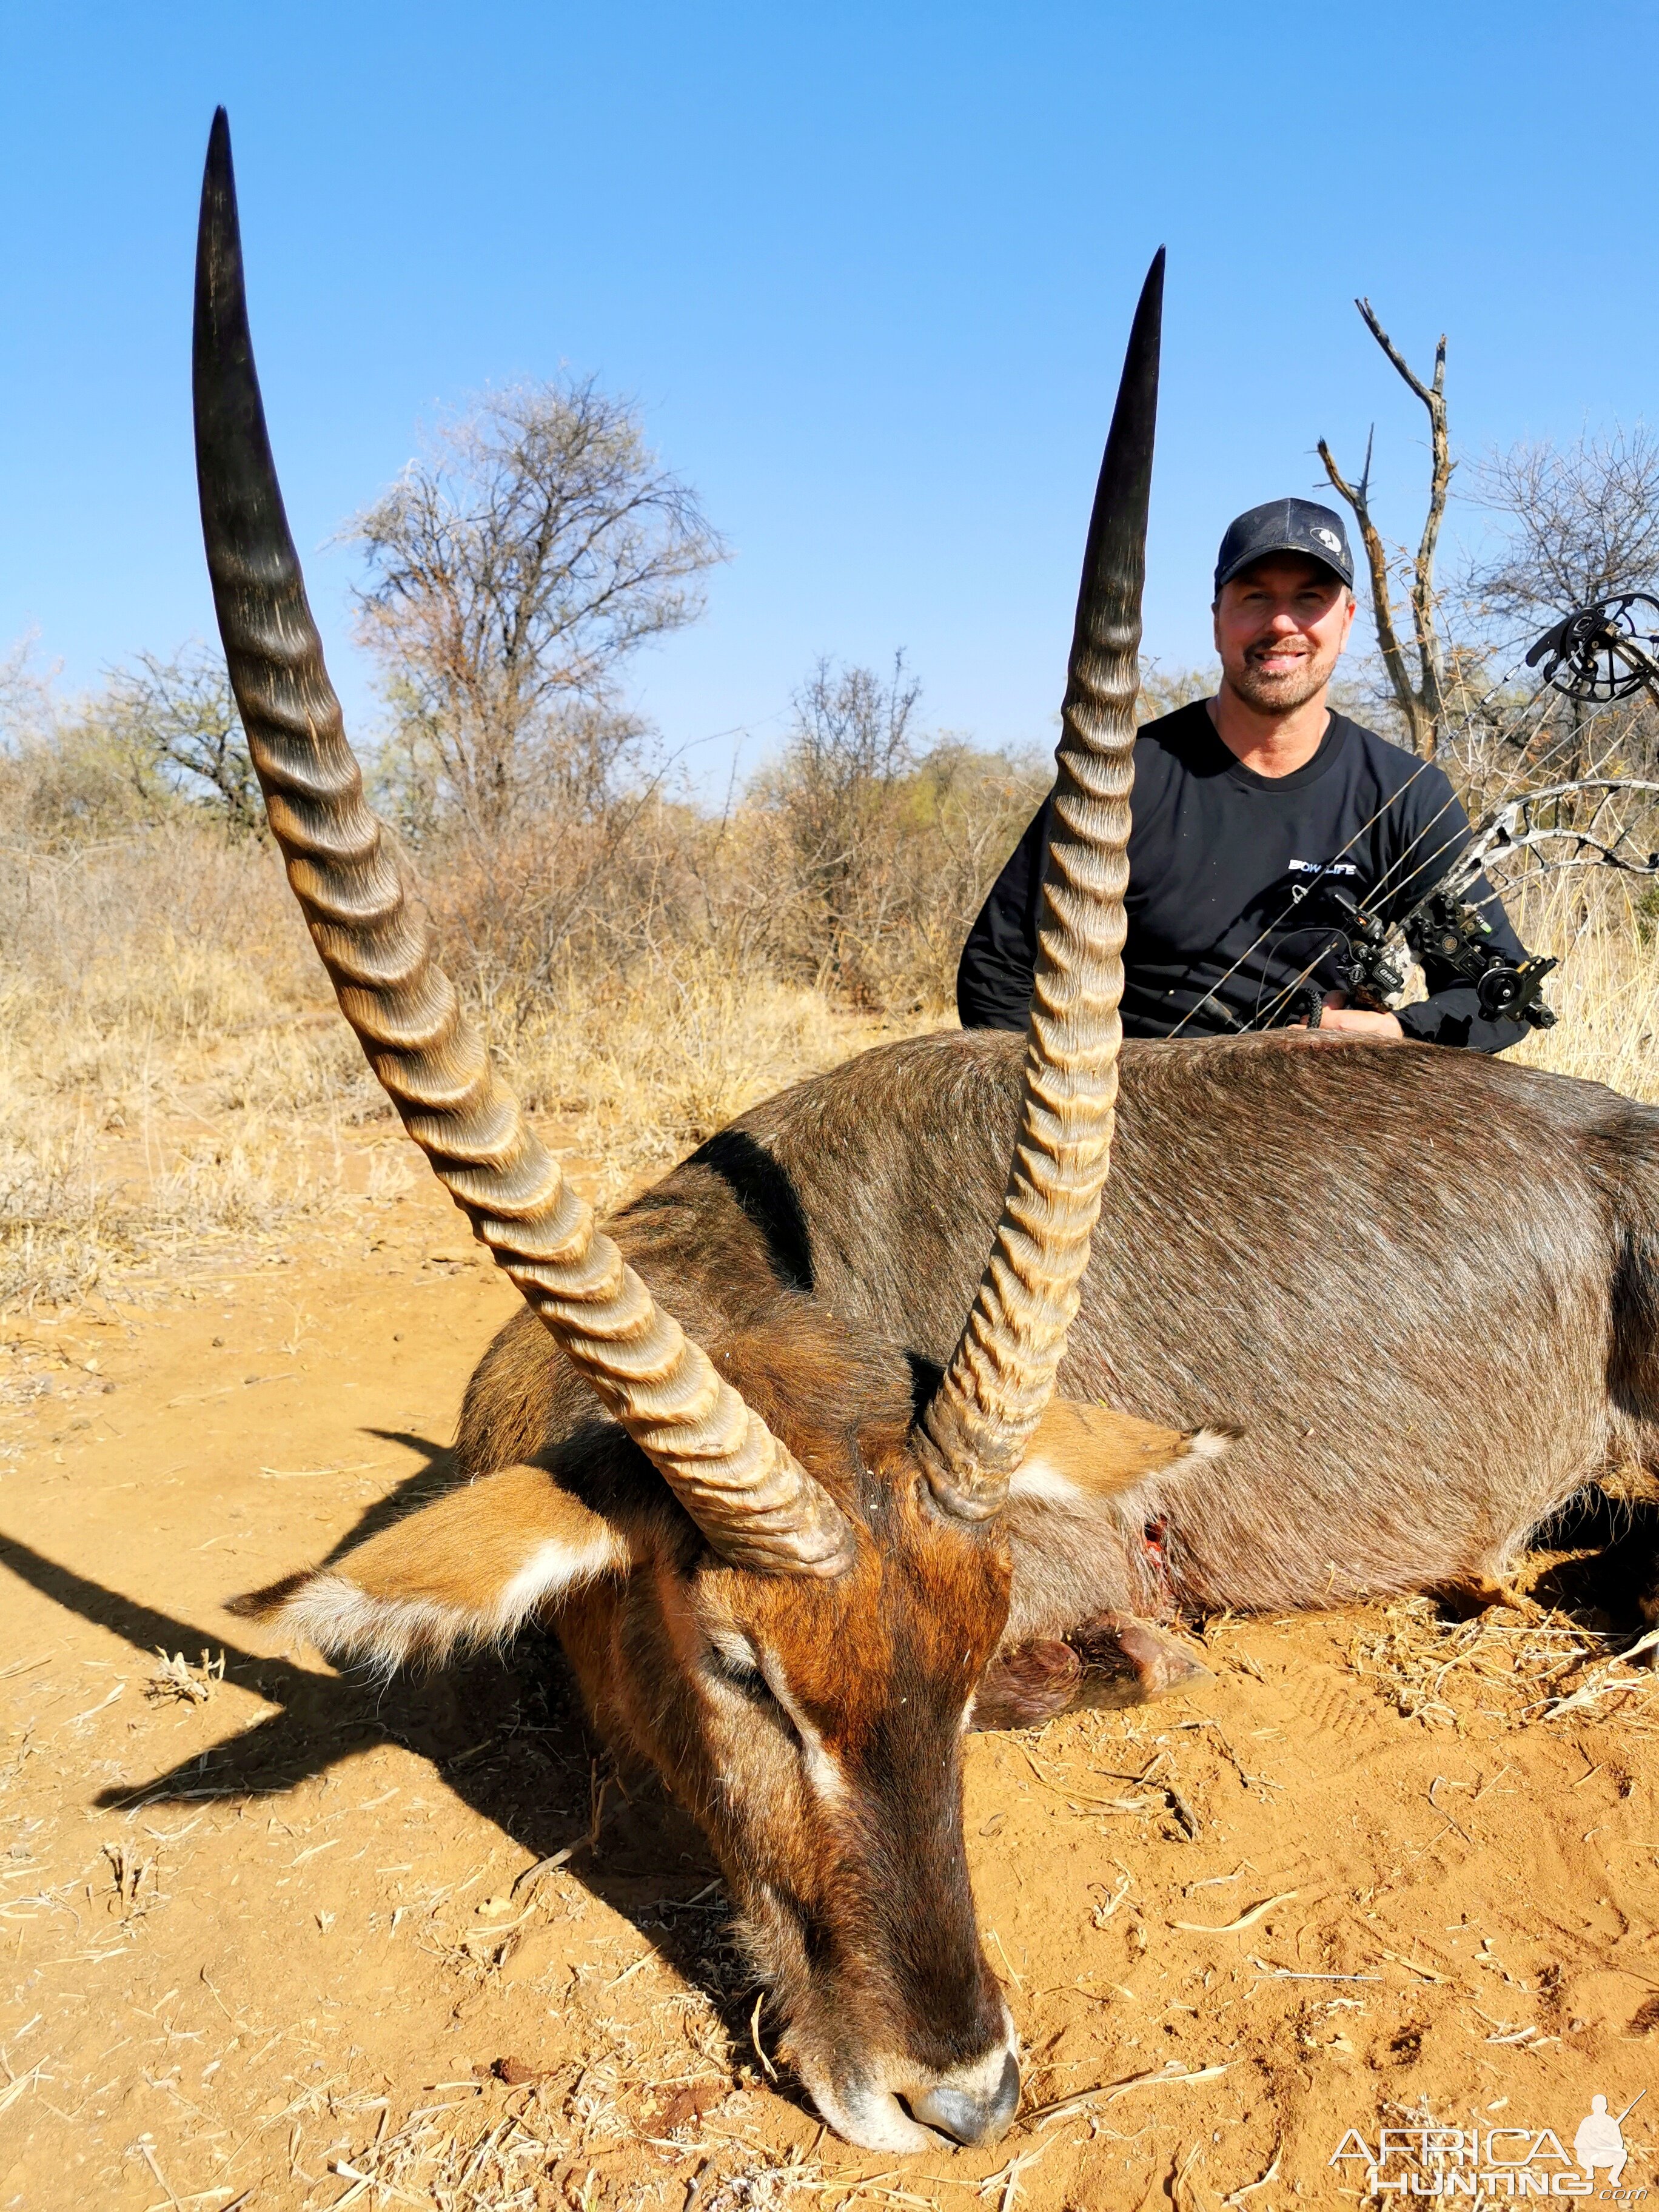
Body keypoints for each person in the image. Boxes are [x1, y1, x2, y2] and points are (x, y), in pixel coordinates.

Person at [957, 497, 1529, 1051]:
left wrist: (1394, 1034)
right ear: (1217, 619)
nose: (1281, 623)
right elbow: (996, 971)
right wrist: (1070, 1105)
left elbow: (1503, 996)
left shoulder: (1408, 796)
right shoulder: (1118, 776)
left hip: (1323, 1116)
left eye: (1310, 599)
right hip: (1127, 1118)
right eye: (1255, 597)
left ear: (1348, 620)